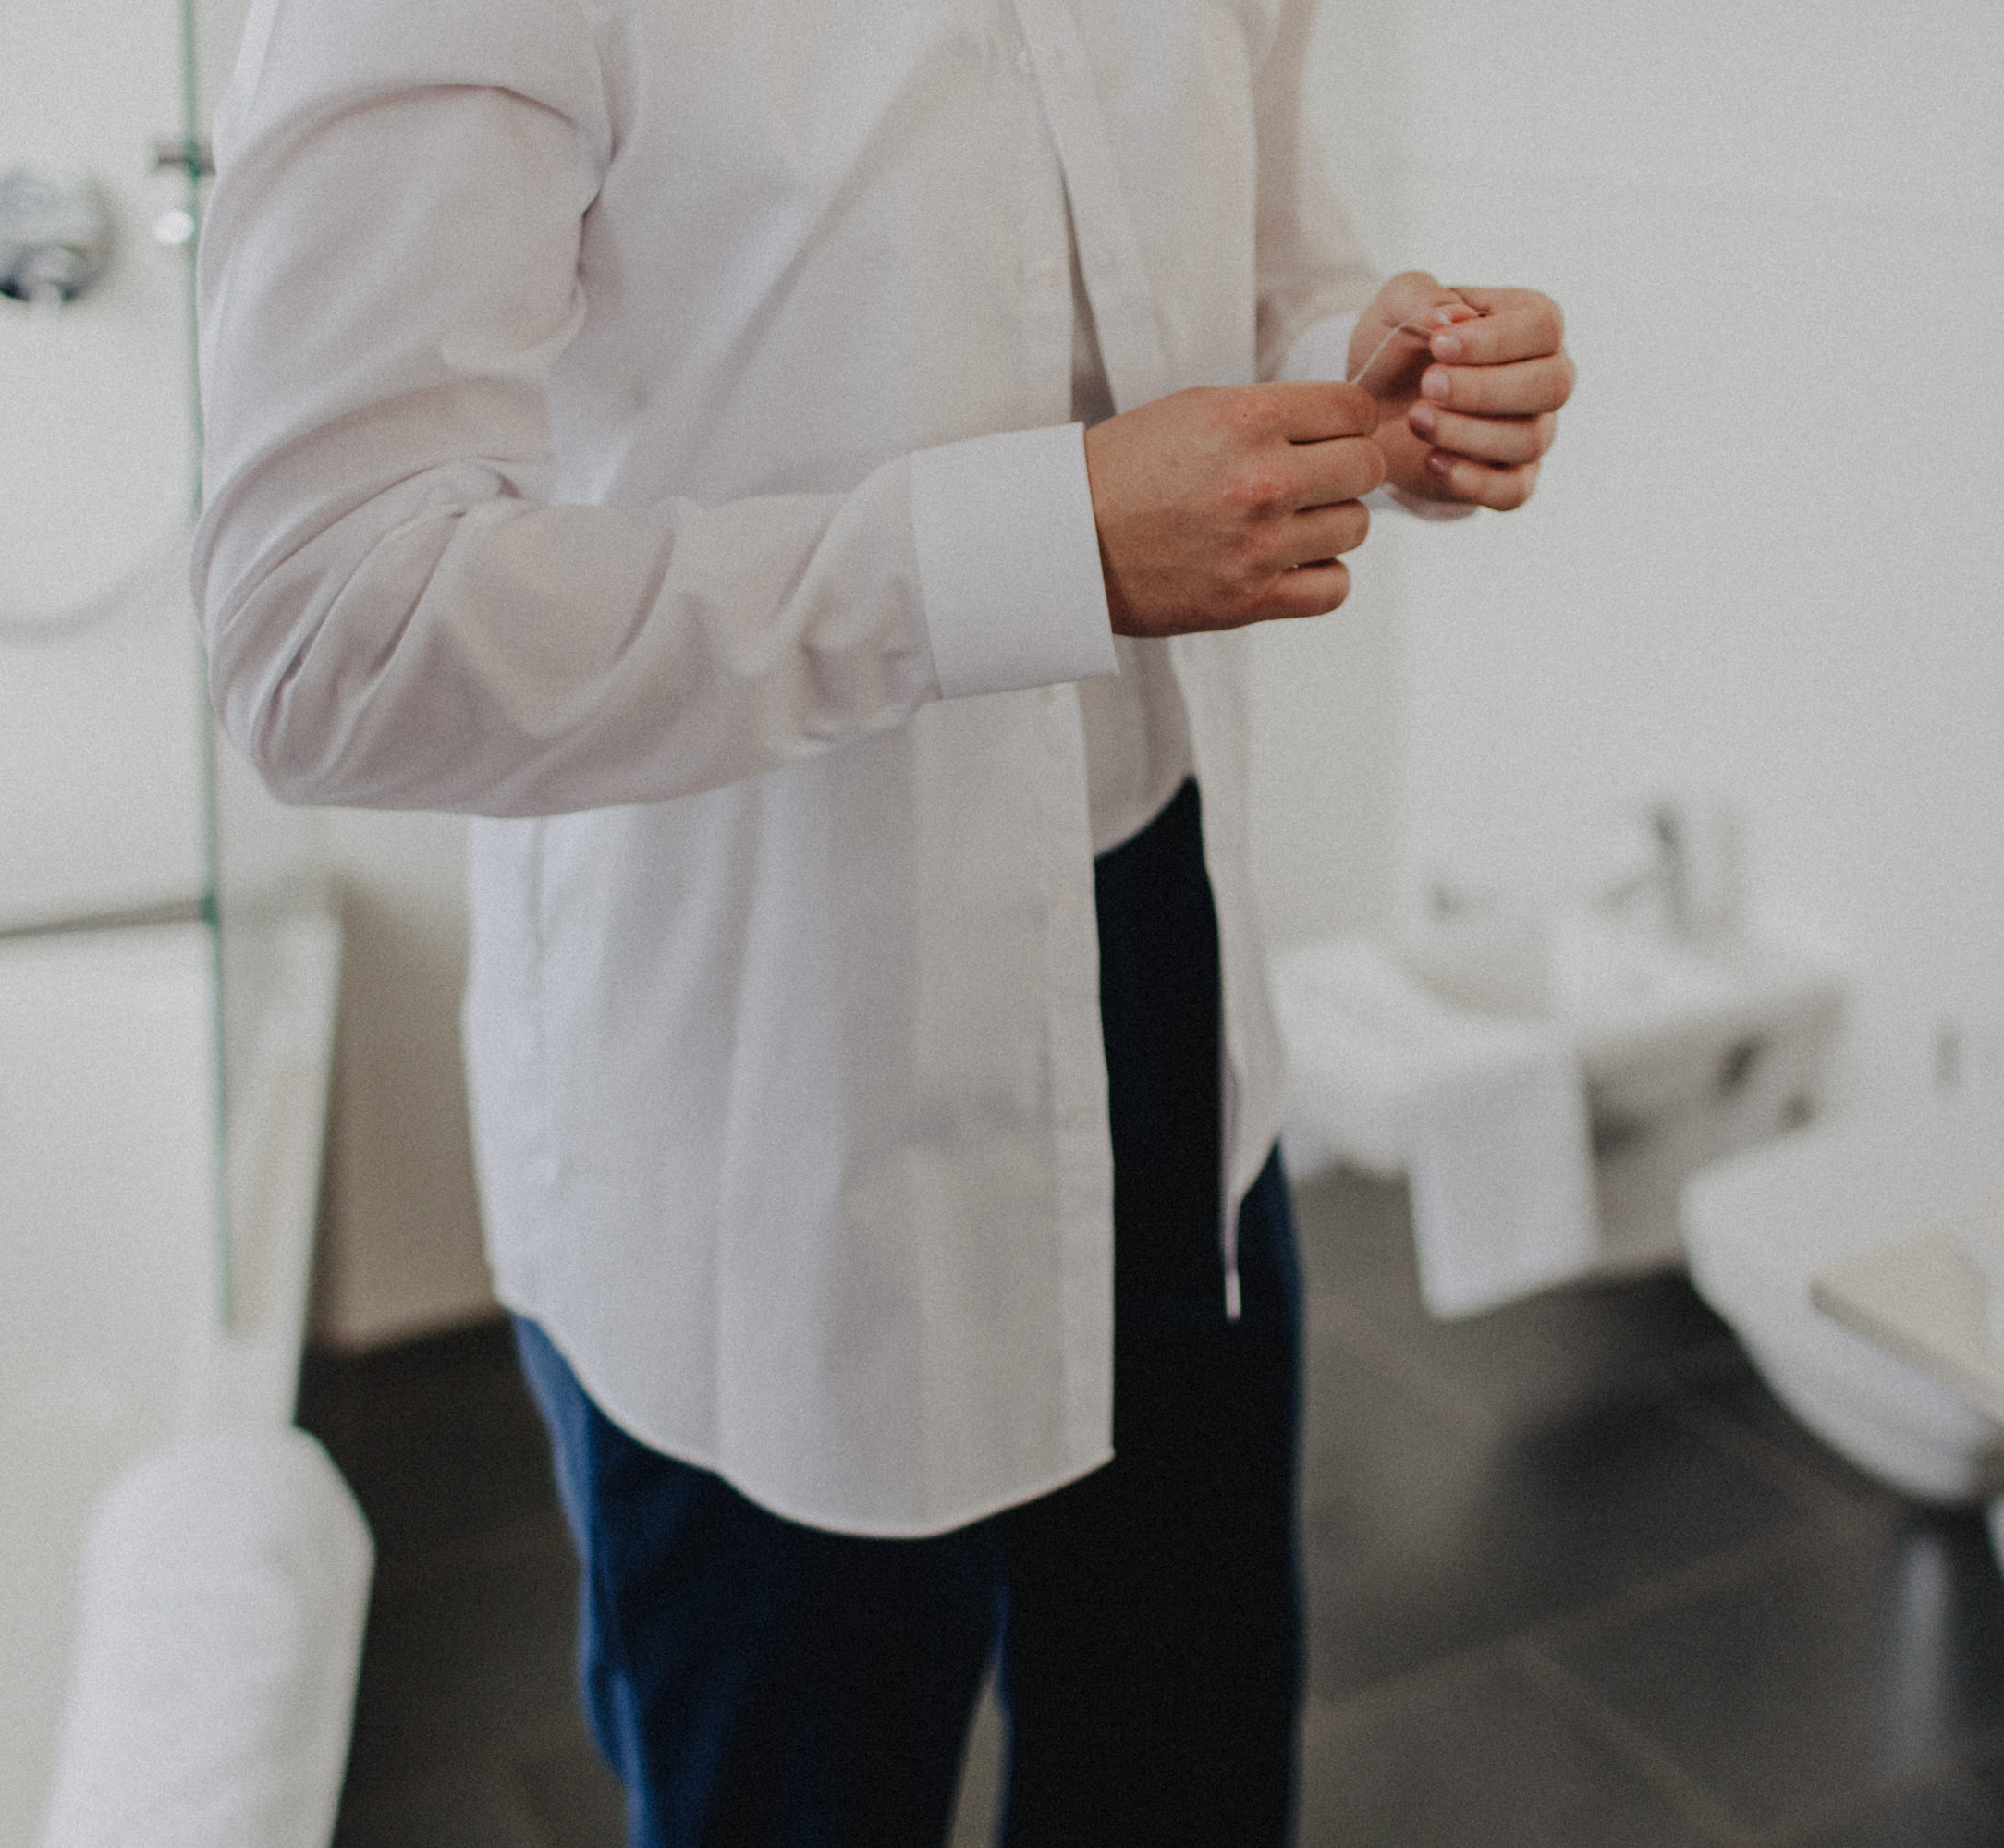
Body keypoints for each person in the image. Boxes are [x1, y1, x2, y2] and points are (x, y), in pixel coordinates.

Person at [192, 0, 1572, 1840]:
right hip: (766, 1087)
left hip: (1168, 987)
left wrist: (1374, 377)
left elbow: (1262, 283)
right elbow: (325, 628)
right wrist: (1037, 547)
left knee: (1185, 1773)